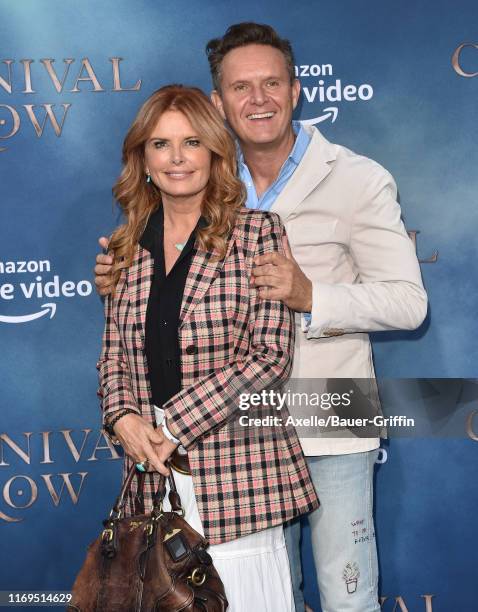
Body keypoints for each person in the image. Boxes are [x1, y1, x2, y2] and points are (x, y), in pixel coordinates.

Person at [95, 24, 428, 612]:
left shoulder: (357, 177)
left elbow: (409, 302)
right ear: (218, 102)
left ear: (296, 90)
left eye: (272, 83)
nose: (258, 99)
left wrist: (312, 295)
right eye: (240, 86)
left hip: (325, 409)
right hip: (227, 435)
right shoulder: (207, 183)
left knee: (347, 597)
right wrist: (124, 288)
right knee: (266, 592)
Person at [98, 83, 318, 611]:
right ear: (142, 158)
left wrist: (171, 426)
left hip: (236, 473)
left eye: (192, 142)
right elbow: (114, 356)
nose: (177, 158)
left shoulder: (257, 234)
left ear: (216, 153)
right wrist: (123, 418)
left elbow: (270, 355)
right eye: (161, 144)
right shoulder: (126, 246)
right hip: (150, 477)